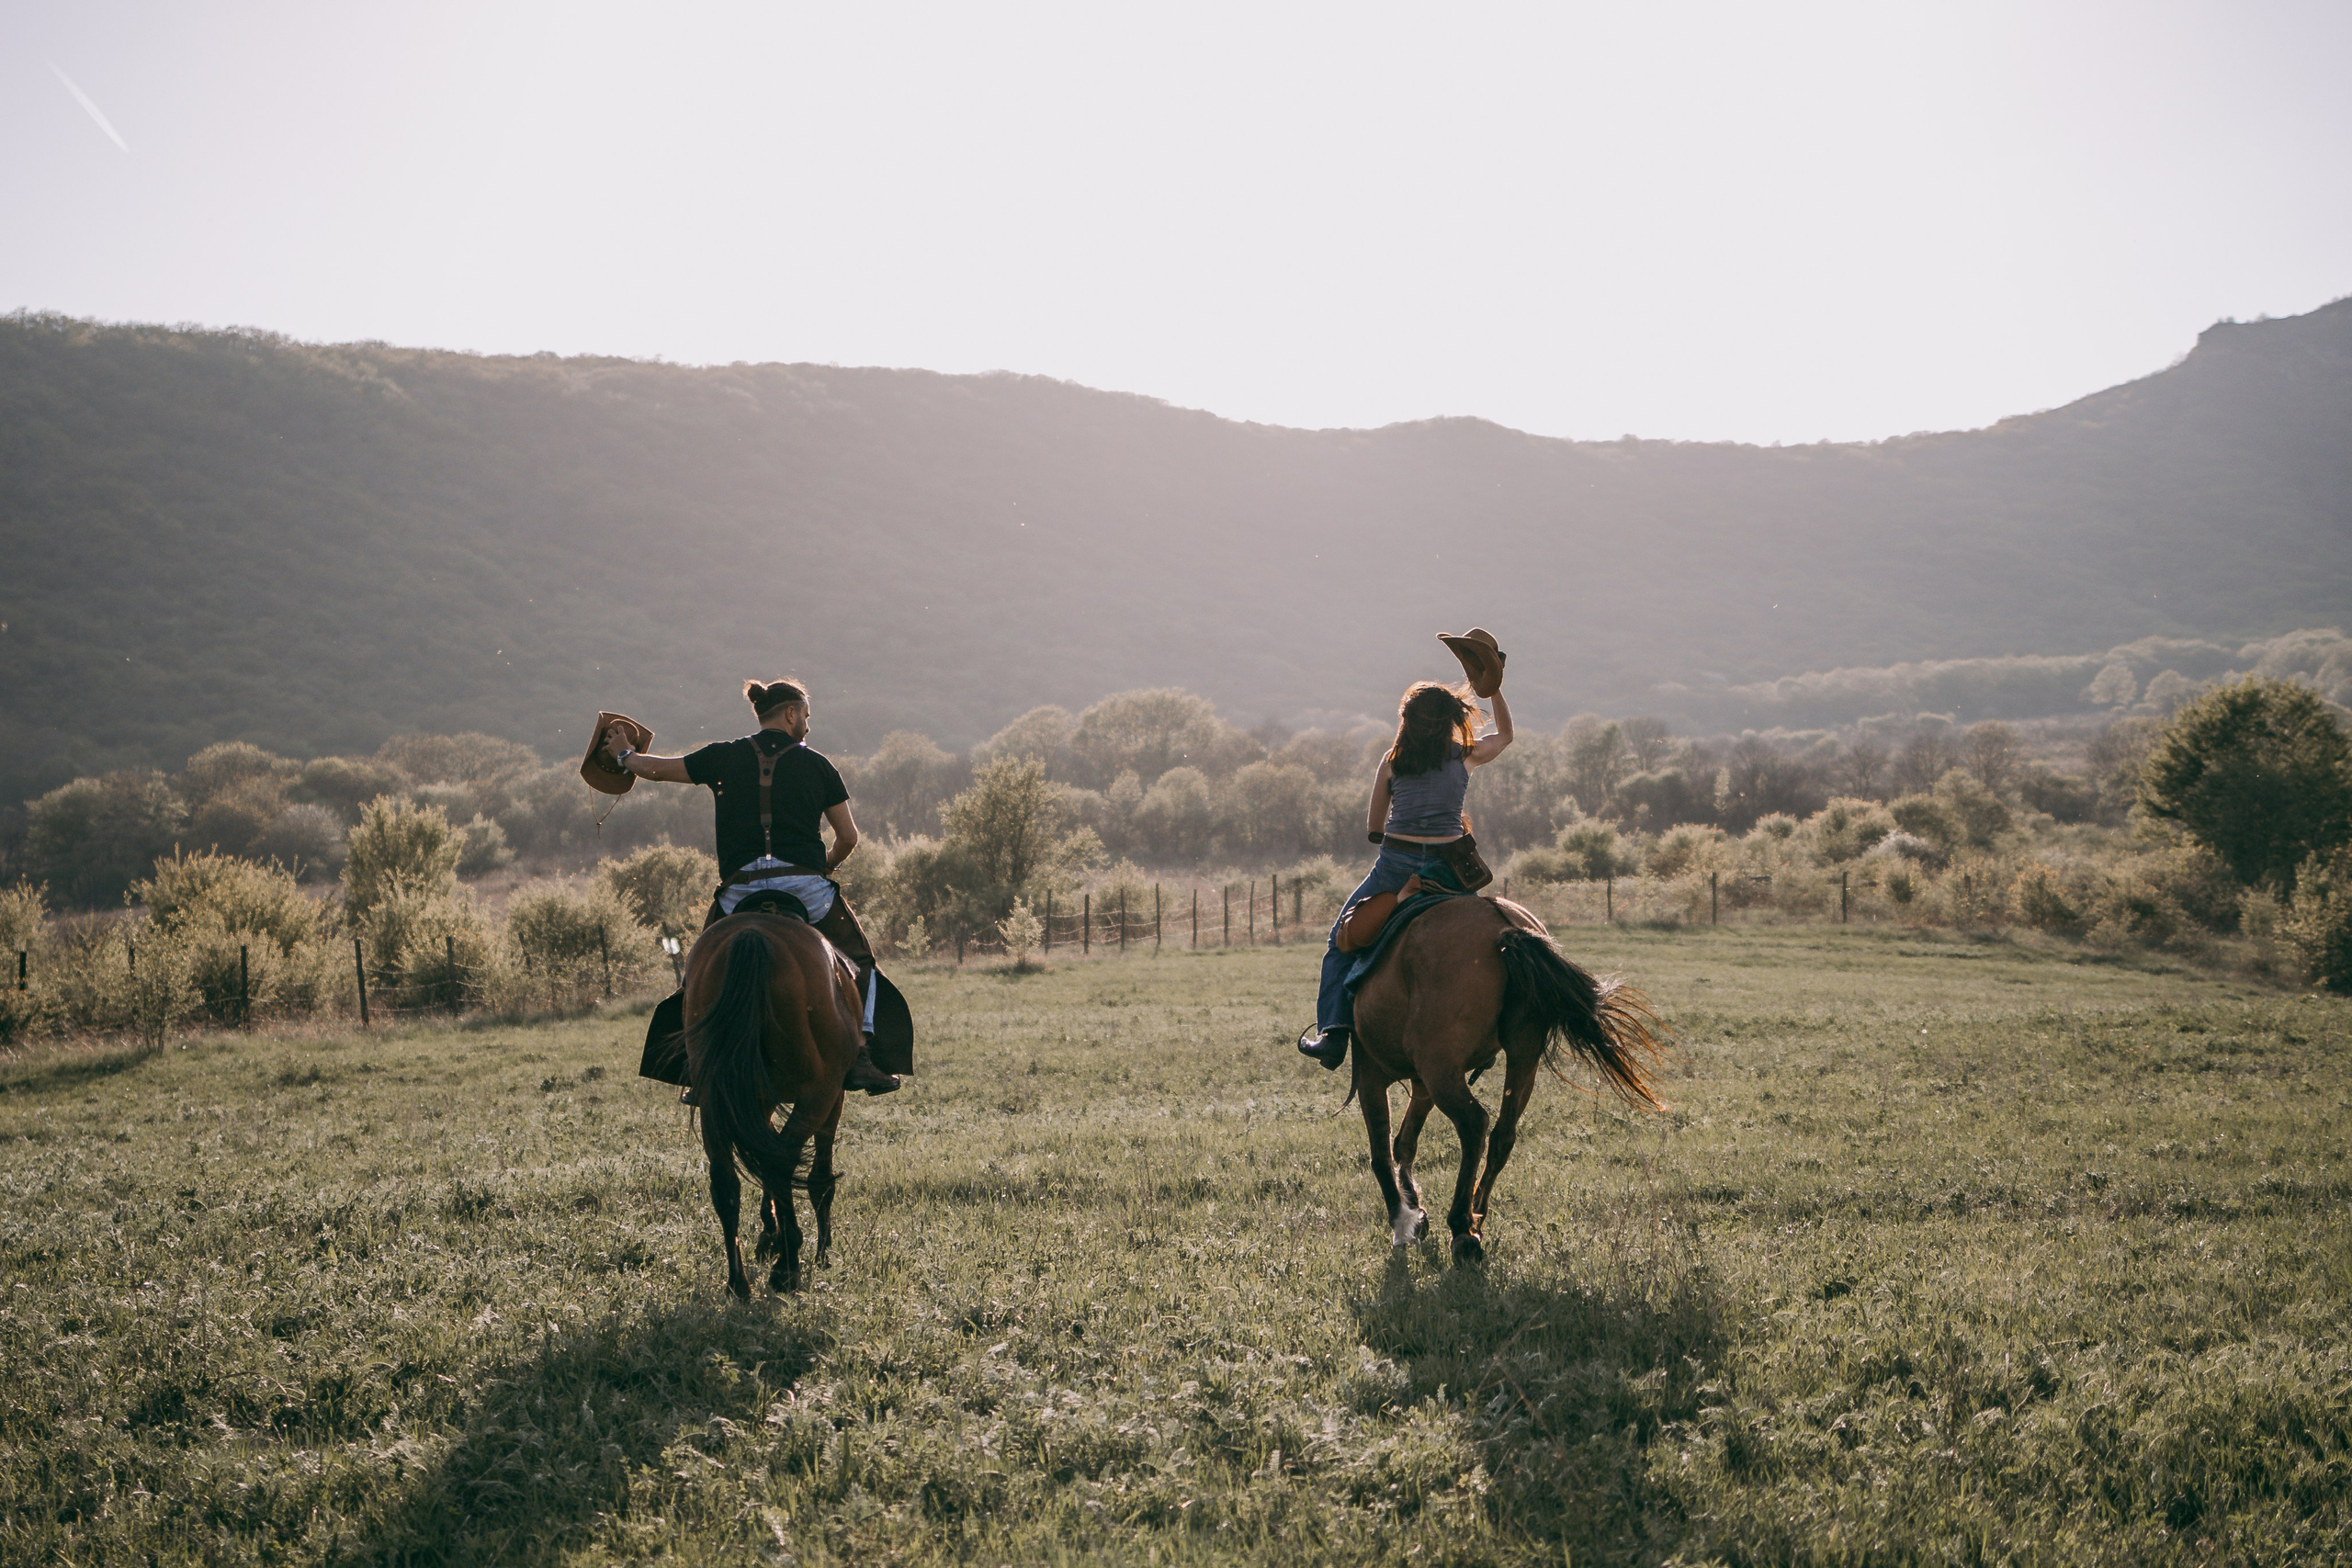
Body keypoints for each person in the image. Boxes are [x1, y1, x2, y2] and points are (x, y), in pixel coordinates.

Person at [605, 678, 901, 1095]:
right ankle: (862, 1056)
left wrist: (623, 754)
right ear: (791, 713)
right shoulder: (819, 765)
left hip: (740, 890)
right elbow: (849, 838)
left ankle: (696, 1063)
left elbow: (655, 769)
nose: (808, 726)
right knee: (861, 963)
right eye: (806, 716)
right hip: (804, 888)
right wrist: (827, 866)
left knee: (699, 971)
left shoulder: (722, 756)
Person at [1297, 679, 1513, 1068]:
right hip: (1449, 870)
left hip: (1396, 867)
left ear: (1407, 720)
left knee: (1339, 942)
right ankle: (1489, 1038)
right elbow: (1506, 735)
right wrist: (1493, 687)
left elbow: (1374, 828)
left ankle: (1333, 1034)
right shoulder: (1465, 755)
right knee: (1492, 945)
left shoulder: (1393, 759)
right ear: (1452, 719)